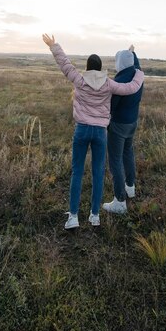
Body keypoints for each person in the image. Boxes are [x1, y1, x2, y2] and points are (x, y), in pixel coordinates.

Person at [42, 34, 144, 229]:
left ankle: (73, 217)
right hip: (100, 133)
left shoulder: (79, 80)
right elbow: (131, 87)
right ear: (100, 68)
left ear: (88, 67)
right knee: (98, 173)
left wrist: (53, 45)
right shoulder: (109, 84)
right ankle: (94, 216)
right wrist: (139, 71)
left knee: (77, 172)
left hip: (81, 131)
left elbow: (64, 64)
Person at [103, 45, 143, 214]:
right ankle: (130, 187)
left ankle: (120, 201)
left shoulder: (119, 82)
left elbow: (111, 107)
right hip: (132, 123)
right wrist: (132, 52)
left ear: (119, 63)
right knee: (128, 153)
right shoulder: (138, 76)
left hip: (118, 125)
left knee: (115, 160)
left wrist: (104, 121)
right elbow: (137, 64)